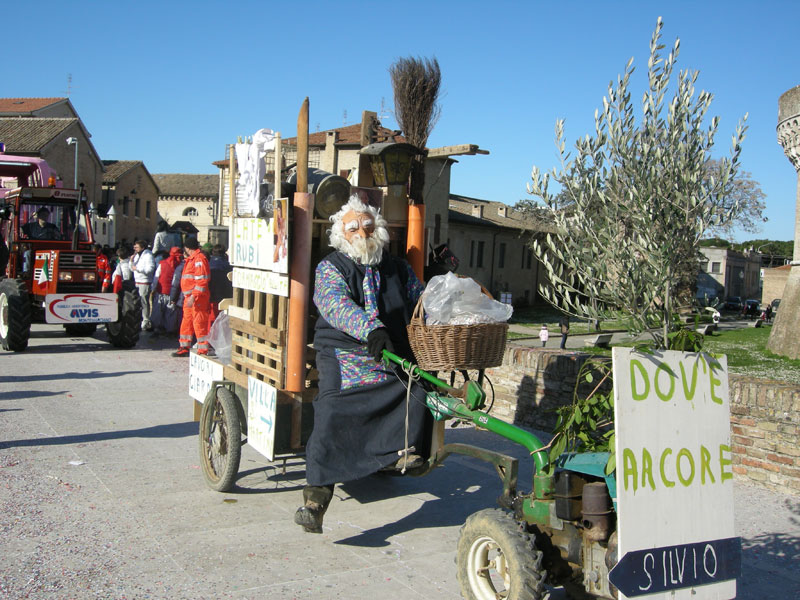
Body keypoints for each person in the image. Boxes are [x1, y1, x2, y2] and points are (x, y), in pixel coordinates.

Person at [294, 195, 429, 534]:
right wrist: (371, 328)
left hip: (391, 351)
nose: (362, 232)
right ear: (341, 234)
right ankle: (316, 497)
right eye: (353, 227)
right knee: (331, 408)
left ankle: (401, 453)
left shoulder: (398, 268)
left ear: (378, 229)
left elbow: (422, 300)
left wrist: (451, 299)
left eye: (368, 226)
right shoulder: (330, 267)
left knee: (417, 388)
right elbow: (335, 304)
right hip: (345, 352)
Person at [172, 237, 211, 357]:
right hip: (190, 297)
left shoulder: (198, 259)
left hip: (197, 298)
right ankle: (184, 346)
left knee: (199, 322)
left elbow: (202, 281)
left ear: (187, 248)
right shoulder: (192, 259)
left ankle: (203, 348)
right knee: (187, 321)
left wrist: (193, 297)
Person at [150, 246, 183, 336]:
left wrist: (153, 289)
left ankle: (157, 328)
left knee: (158, 310)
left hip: (161, 291)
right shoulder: (181, 265)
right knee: (171, 312)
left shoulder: (162, 263)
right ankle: (170, 330)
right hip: (173, 293)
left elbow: (156, 278)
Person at [131, 240, 156, 331]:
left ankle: (146, 320)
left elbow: (150, 269)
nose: (135, 248)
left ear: (142, 247)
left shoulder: (148, 256)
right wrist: (131, 261)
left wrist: (137, 269)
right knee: (138, 302)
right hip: (137, 281)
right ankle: (140, 319)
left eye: (136, 247)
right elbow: (132, 268)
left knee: (144, 302)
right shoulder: (137, 256)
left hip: (144, 282)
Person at [208, 244, 233, 328]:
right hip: (225, 296)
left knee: (211, 319)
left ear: (213, 252)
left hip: (211, 296)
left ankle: (210, 339)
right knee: (223, 321)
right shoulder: (229, 265)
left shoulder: (208, 264)